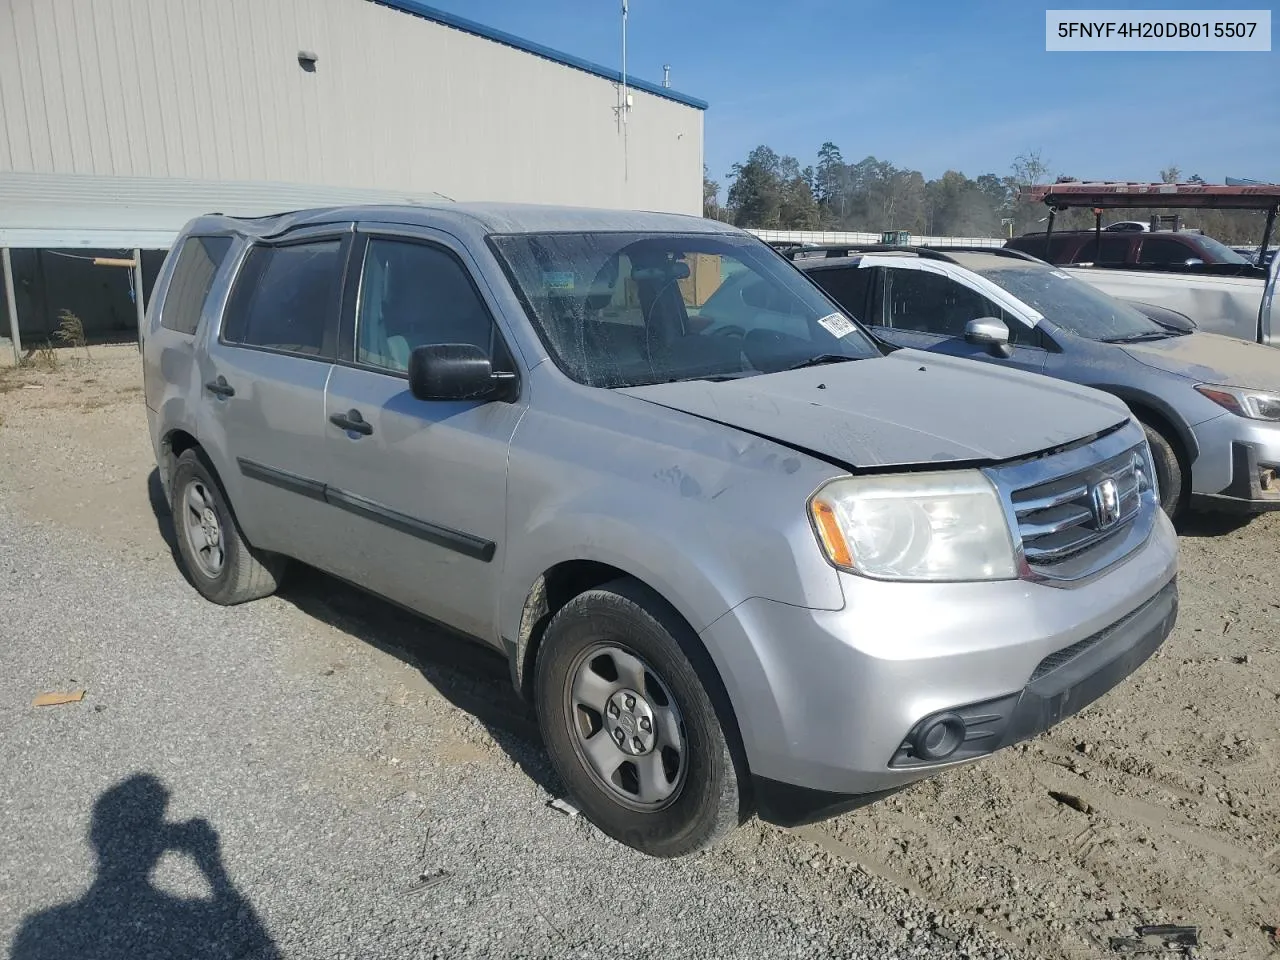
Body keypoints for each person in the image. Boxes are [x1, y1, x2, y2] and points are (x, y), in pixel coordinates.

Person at [10, 773, 280, 960]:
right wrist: (212, 865)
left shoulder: (39, 930)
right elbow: (259, 945)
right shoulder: (201, 917)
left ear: (94, 838)